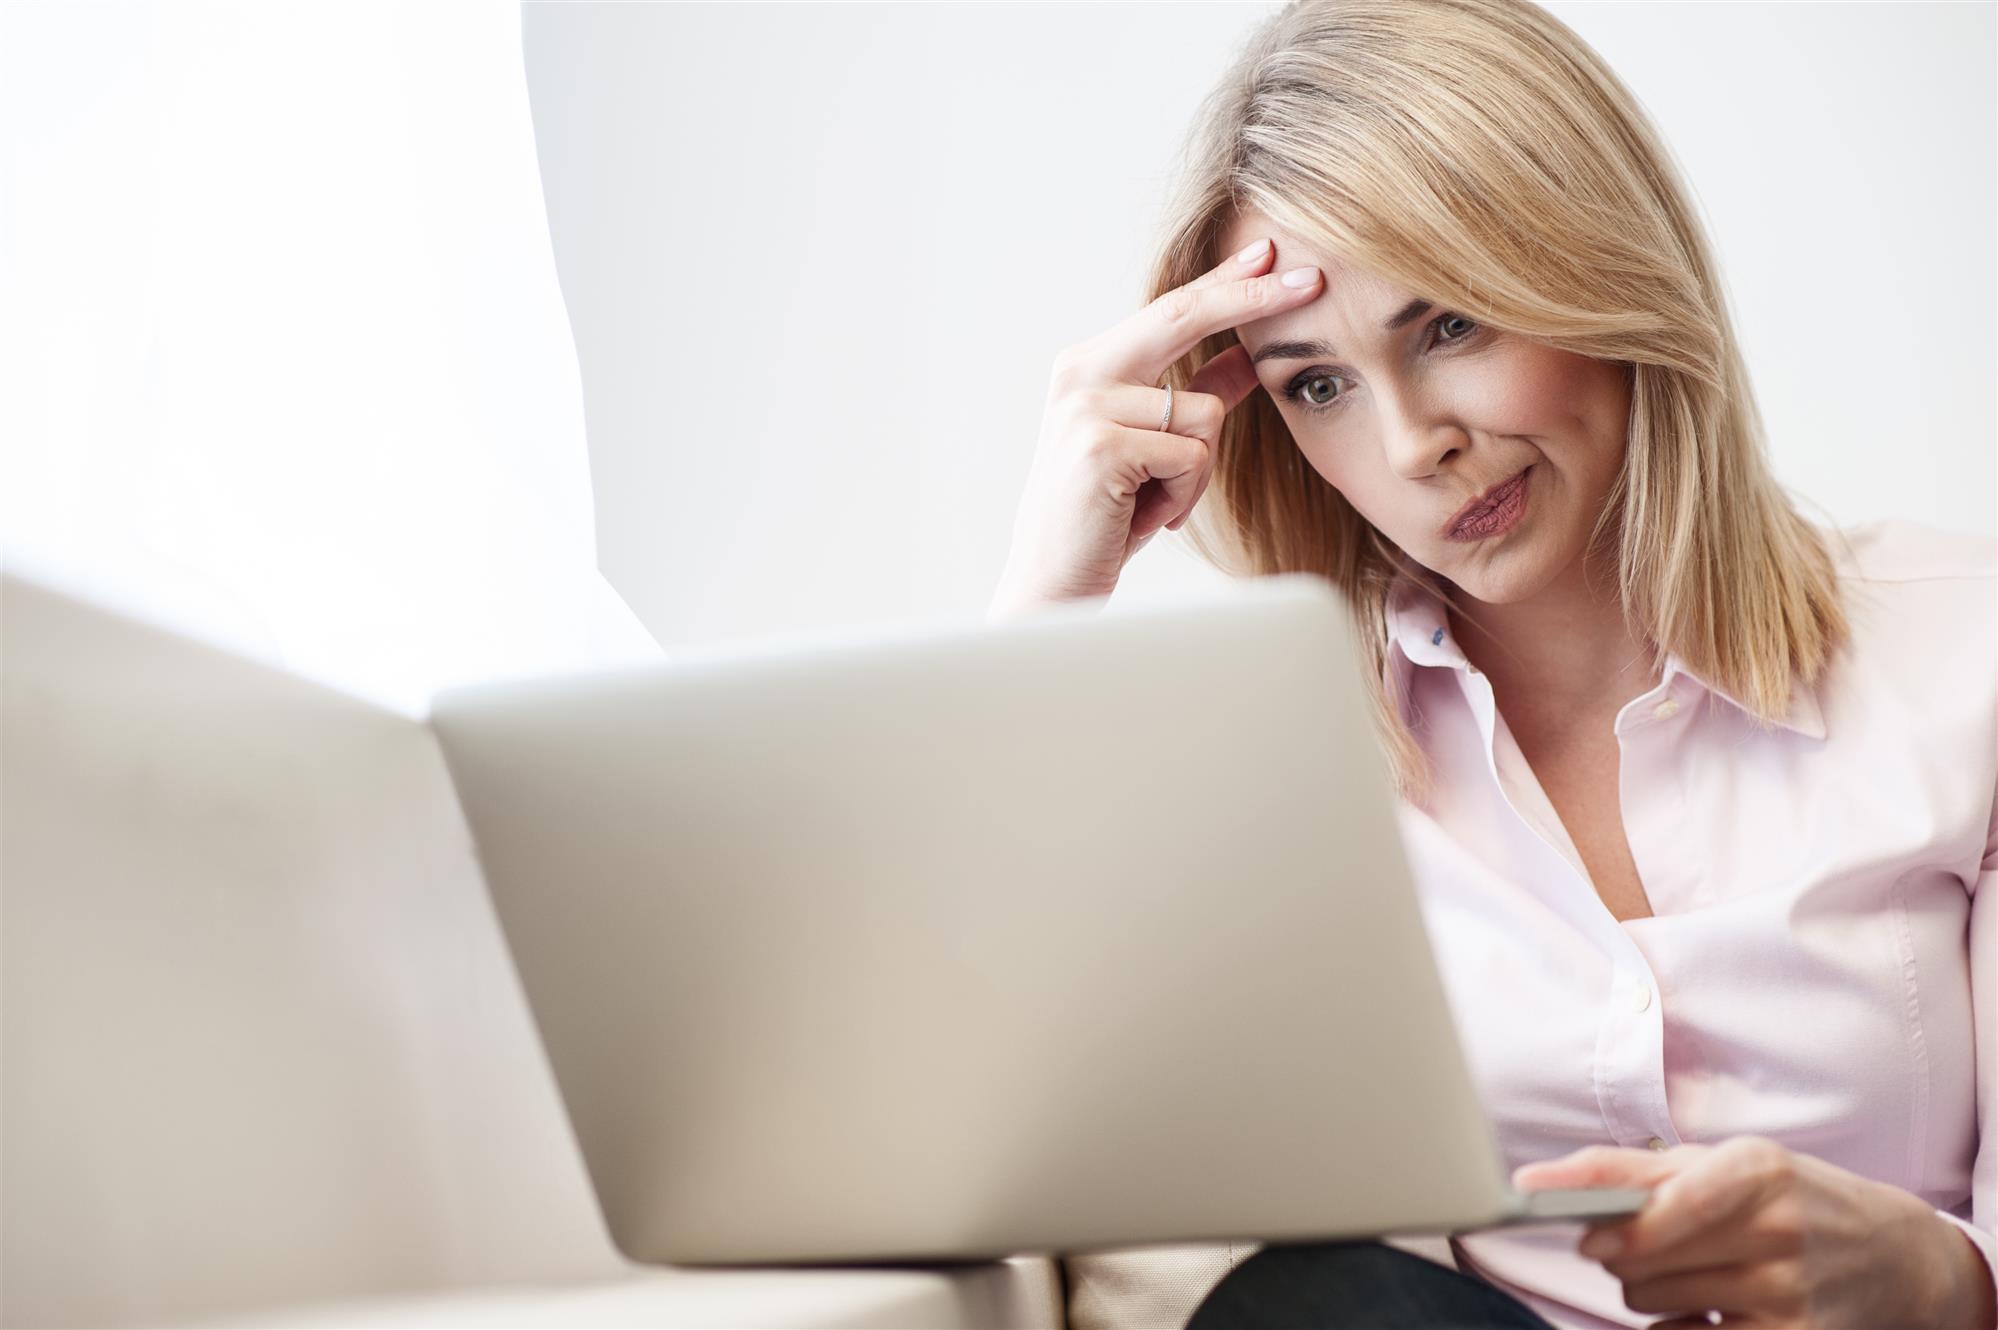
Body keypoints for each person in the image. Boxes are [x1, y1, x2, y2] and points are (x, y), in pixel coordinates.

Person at [986, 1, 1997, 1326]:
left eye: (1450, 324)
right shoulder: (1274, 772)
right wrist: (1044, 598)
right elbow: (931, 1100)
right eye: (1316, 384)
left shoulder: (1962, 660)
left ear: (1599, 270)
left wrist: (1933, 1275)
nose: (1414, 444)